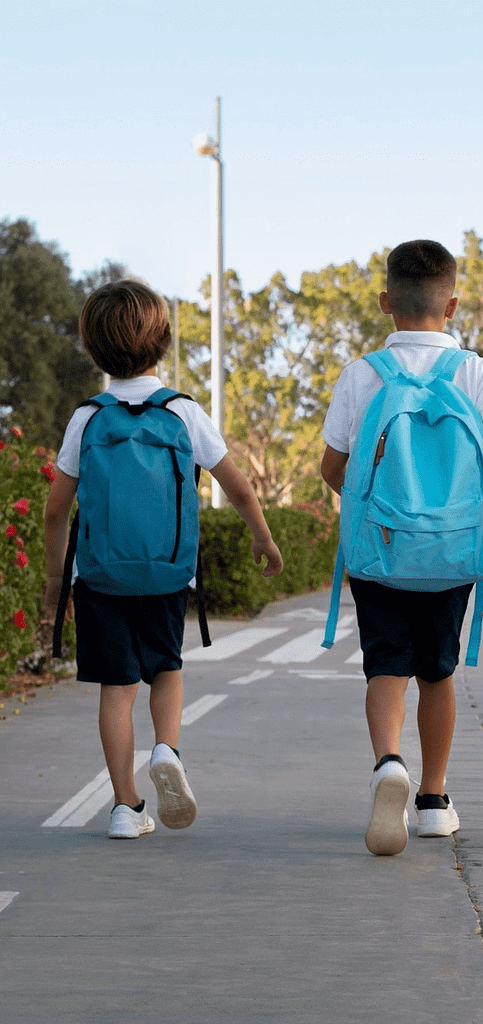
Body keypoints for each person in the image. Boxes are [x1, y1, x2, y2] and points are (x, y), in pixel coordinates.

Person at [44, 279, 283, 840]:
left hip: (100, 577)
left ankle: (126, 807)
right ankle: (167, 750)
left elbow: (57, 512)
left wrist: (58, 583)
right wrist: (262, 538)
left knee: (116, 689)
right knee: (167, 669)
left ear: (92, 347)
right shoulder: (182, 412)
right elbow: (239, 486)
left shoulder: (87, 418)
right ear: (165, 342)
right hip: (167, 572)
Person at [320, 239, 483, 856]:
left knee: (385, 667)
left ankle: (388, 766)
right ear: (452, 304)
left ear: (386, 302)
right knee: (438, 671)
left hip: (380, 551)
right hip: (454, 549)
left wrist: (372, 503)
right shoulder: (474, 372)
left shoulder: (363, 375)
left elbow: (333, 466)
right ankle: (433, 800)